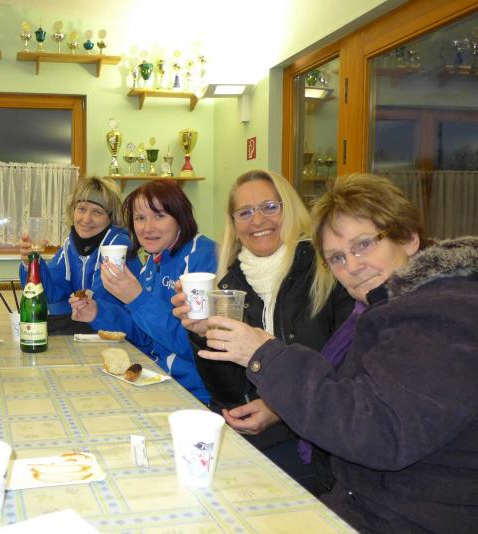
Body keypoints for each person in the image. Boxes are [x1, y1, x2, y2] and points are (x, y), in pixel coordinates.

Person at [199, 173, 478, 533]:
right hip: (361, 496)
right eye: (337, 258)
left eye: (364, 244)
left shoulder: (443, 314)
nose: (353, 266)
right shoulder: (385, 306)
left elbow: (378, 433)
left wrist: (266, 355)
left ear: (408, 238)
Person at [170, 169, 353, 493]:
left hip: (314, 443)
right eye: (244, 212)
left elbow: (345, 368)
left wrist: (278, 407)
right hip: (252, 436)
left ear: (290, 209)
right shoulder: (229, 283)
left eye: (270, 207)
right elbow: (229, 392)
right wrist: (202, 333)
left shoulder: (326, 271)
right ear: (234, 224)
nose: (257, 220)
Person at [70, 181, 218, 403]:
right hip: (154, 378)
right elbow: (143, 336)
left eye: (159, 216)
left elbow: (196, 346)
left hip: (195, 394)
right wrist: (97, 313)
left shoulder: (203, 258)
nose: (147, 228)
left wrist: (137, 299)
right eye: (140, 218)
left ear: (180, 216)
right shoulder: (152, 261)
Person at [18, 176, 131, 334]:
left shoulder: (118, 246)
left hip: (118, 335)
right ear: (73, 210)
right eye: (82, 209)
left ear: (111, 217)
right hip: (86, 332)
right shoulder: (70, 244)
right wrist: (31, 262)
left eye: (97, 212)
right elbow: (52, 293)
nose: (86, 219)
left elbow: (100, 303)